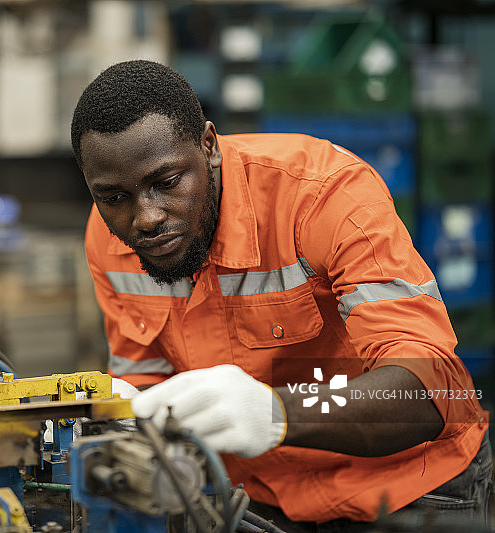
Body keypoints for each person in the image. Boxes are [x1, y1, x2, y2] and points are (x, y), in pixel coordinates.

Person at [70, 59, 491, 530]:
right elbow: (145, 378)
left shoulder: (325, 197)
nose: (145, 218)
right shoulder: (109, 240)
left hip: (409, 492)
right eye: (113, 197)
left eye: (166, 184)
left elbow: (437, 389)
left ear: (209, 145)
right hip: (261, 504)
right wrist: (131, 414)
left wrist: (277, 412)